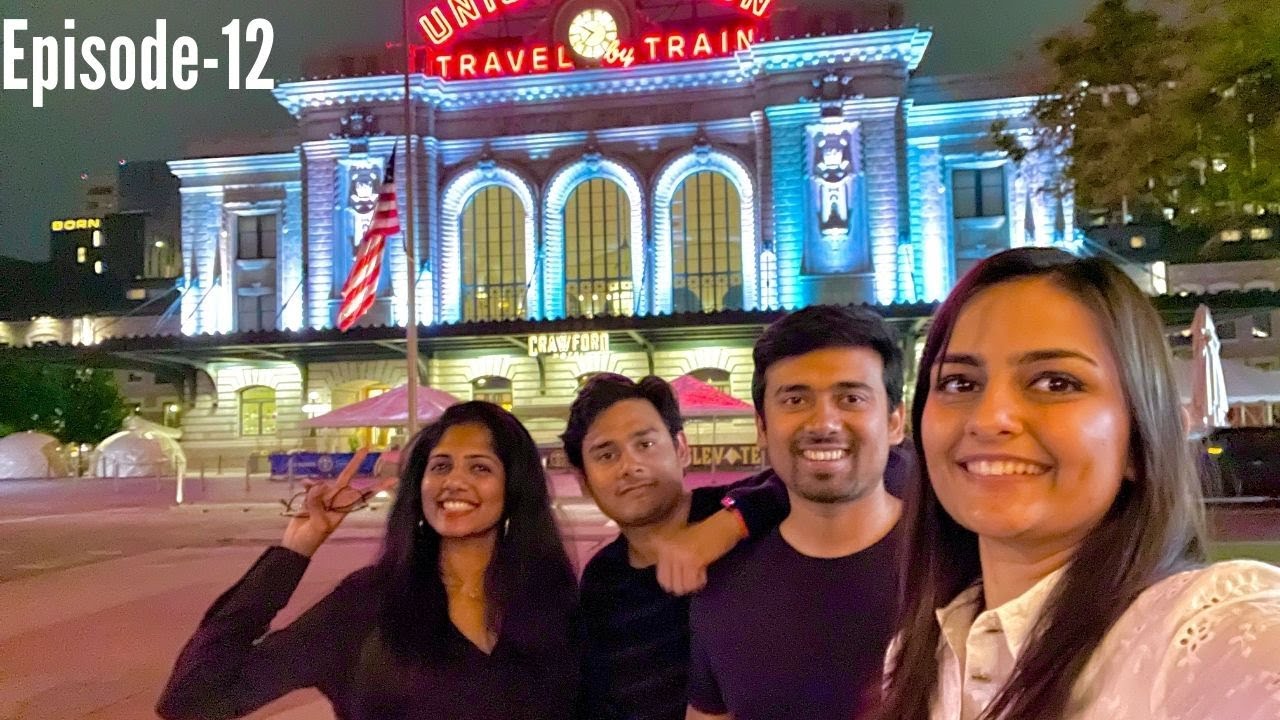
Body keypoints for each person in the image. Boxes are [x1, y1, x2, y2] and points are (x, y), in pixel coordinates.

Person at [877, 247, 1280, 720]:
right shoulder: (922, 654)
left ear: (1138, 437)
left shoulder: (1206, 637)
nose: (989, 419)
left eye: (1055, 383)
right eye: (960, 383)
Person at [156, 401, 579, 720]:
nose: (454, 481)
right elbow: (192, 700)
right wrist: (294, 551)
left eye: (480, 468)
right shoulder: (368, 603)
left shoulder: (552, 601)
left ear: (514, 489)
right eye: (440, 466)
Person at [686, 305, 907, 720]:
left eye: (851, 398)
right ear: (762, 427)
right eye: (795, 399)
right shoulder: (722, 583)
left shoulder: (956, 564)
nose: (823, 422)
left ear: (895, 422)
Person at [563, 373, 790, 720]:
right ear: (584, 481)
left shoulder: (737, 512)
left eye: (645, 444)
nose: (630, 466)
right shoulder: (602, 580)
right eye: (606, 455)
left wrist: (730, 524)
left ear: (681, 449)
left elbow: (810, 483)